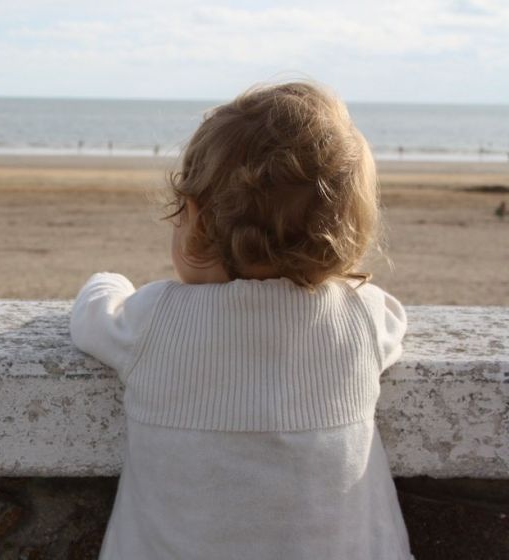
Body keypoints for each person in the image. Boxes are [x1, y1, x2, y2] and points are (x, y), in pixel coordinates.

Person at [70, 82, 412, 559]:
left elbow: (90, 315)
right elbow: (394, 323)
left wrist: (109, 280)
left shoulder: (151, 319)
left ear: (197, 220)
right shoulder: (363, 314)